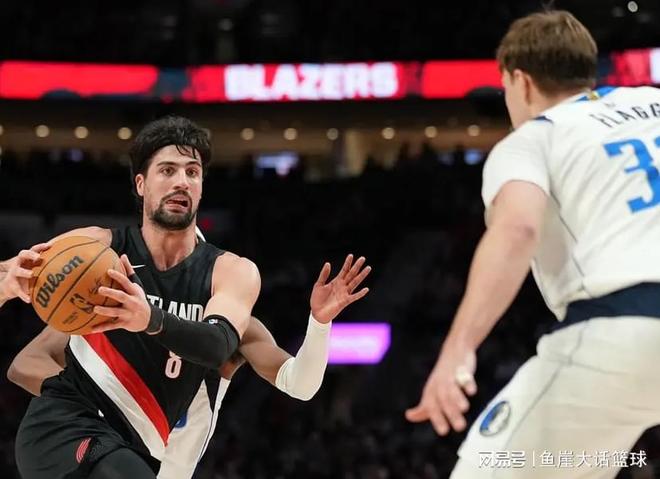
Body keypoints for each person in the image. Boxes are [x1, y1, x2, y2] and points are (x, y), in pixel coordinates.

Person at [407, 10, 660, 479]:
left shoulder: (533, 138)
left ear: (520, 81)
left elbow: (518, 230)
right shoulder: (652, 102)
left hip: (625, 332)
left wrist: (458, 348)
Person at [2, 115, 259, 479]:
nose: (182, 181)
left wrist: (150, 318)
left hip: (136, 444)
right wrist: (7, 286)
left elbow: (218, 345)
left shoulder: (231, 271)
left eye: (192, 172)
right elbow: (8, 275)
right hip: (64, 426)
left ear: (201, 187)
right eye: (167, 170)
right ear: (141, 184)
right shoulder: (96, 248)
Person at [8, 236, 371, 479]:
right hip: (104, 453)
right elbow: (24, 365)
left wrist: (319, 324)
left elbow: (301, 385)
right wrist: (93, 404)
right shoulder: (114, 301)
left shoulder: (233, 327)